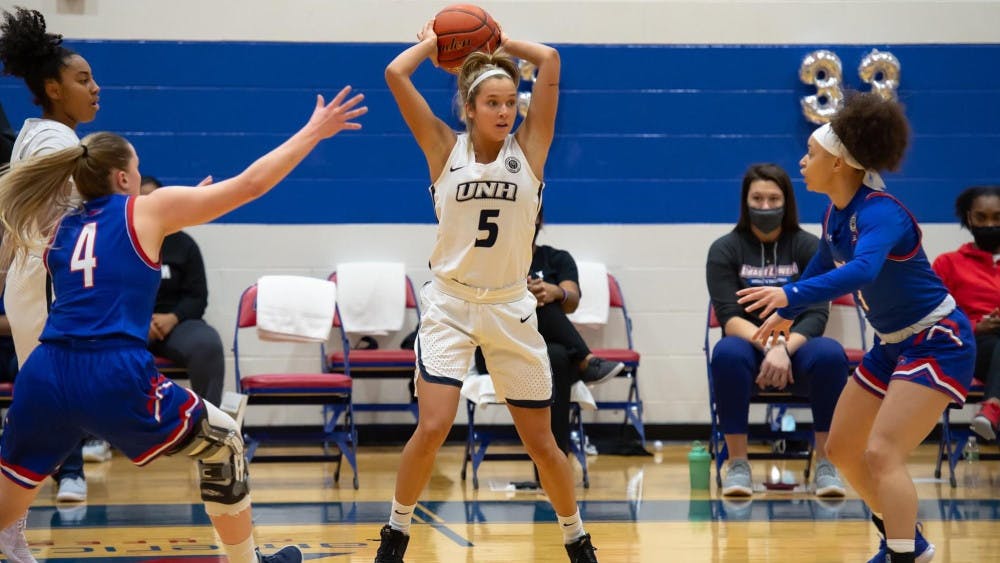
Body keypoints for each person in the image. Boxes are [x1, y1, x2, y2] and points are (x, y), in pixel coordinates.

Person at [0, 87, 366, 563]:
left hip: (45, 373)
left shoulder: (57, 225)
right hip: (112, 372)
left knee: (8, 505)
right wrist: (314, 130)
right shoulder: (149, 208)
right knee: (225, 442)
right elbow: (252, 184)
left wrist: (185, 203)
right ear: (124, 175)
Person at [379, 20, 597, 563]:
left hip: (508, 307)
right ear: (470, 109)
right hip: (450, 305)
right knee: (432, 426)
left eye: (511, 101)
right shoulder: (441, 149)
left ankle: (577, 539)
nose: (506, 111)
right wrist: (438, 41)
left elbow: (549, 59)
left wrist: (494, 44)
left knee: (542, 443)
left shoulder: (530, 150)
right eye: (493, 103)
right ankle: (396, 534)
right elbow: (395, 72)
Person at [737, 92, 975, 563]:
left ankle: (903, 554)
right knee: (845, 450)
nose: (803, 162)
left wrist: (789, 295)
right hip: (893, 347)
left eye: (811, 154)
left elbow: (862, 271)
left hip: (937, 339)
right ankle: (912, 543)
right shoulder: (835, 215)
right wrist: (787, 310)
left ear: (841, 164)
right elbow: (824, 268)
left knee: (883, 454)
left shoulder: (881, 212)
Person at [1, 4, 100, 535]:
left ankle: (10, 534)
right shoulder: (59, 142)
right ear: (54, 87)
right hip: (46, 294)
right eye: (82, 79)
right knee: (48, 422)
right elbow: (85, 217)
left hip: (33, 289)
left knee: (46, 421)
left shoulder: (40, 133)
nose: (95, 87)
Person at [706, 163, 849, 498]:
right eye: (757, 198)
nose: (766, 206)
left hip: (797, 350)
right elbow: (728, 317)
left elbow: (816, 313)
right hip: (748, 350)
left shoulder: (809, 246)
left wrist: (784, 348)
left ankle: (827, 464)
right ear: (745, 202)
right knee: (725, 352)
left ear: (787, 202)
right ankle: (738, 465)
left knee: (830, 353)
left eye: (774, 198)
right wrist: (770, 347)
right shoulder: (724, 249)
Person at [475, 207, 625, 456]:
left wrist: (556, 292)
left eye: (530, 215)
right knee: (532, 305)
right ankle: (586, 361)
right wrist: (517, 297)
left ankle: (551, 462)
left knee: (556, 354)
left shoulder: (557, 259)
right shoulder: (495, 262)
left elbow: (572, 298)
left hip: (544, 352)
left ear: (539, 220)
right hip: (500, 351)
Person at [140, 175, 226, 407]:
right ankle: (103, 431)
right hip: (134, 325)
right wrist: (141, 322)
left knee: (207, 345)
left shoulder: (184, 245)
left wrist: (173, 318)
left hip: (177, 325)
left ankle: (208, 426)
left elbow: (198, 297)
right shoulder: (125, 242)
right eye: (142, 199)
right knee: (100, 346)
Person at [932, 185, 1000, 441]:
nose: (990, 224)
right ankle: (992, 409)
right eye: (982, 218)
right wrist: (974, 326)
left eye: (997, 217)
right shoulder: (948, 264)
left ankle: (992, 409)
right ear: (969, 218)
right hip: (970, 347)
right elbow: (933, 321)